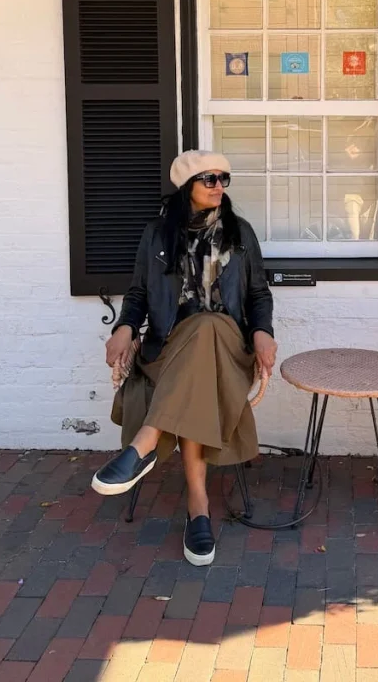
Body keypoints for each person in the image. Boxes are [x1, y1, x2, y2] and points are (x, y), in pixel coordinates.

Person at [91, 150, 277, 566]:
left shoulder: (240, 233)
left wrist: (262, 331)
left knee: (208, 325)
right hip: (169, 349)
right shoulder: (158, 235)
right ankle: (198, 505)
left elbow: (258, 293)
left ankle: (145, 445)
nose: (219, 187)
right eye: (209, 179)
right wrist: (124, 326)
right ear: (186, 186)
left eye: (224, 179)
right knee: (196, 376)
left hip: (228, 345)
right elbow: (138, 295)